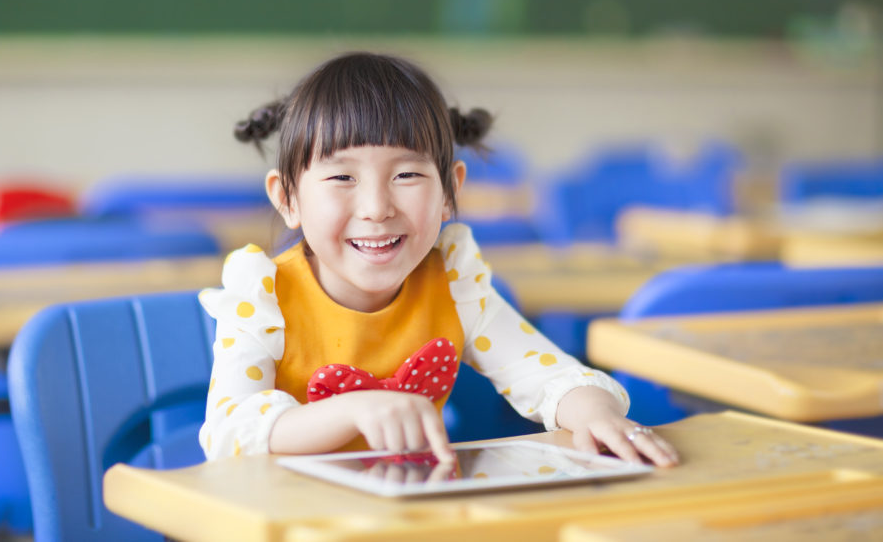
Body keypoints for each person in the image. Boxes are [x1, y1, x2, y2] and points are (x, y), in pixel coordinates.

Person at [197, 52, 678, 467]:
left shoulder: (454, 287)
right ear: (288, 199)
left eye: (406, 174)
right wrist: (353, 410)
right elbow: (229, 432)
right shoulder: (261, 295)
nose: (376, 208)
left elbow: (549, 375)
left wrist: (596, 412)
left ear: (450, 192)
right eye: (342, 178)